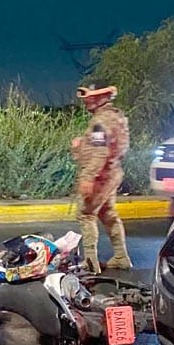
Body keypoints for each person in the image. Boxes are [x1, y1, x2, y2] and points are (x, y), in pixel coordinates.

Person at [72, 83, 131, 273]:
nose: (87, 102)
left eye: (90, 98)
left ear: (102, 97)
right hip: (112, 172)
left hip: (100, 177)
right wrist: (81, 145)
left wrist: (88, 177)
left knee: (86, 214)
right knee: (108, 214)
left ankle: (91, 263)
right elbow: (118, 147)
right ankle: (121, 256)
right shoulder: (116, 117)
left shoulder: (99, 122)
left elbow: (99, 151)